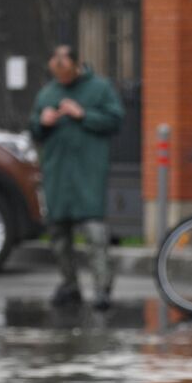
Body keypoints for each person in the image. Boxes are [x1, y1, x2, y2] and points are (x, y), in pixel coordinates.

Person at [28, 44, 124, 310]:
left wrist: (83, 114)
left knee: (94, 232)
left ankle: (102, 287)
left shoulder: (100, 88)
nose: (61, 77)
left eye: (65, 72)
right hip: (57, 173)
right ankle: (69, 284)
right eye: (57, 73)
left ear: (76, 65)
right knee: (58, 233)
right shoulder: (48, 93)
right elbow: (34, 129)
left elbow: (115, 120)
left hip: (88, 172)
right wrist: (42, 122)